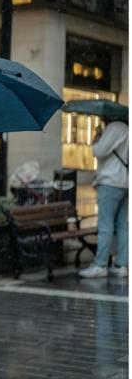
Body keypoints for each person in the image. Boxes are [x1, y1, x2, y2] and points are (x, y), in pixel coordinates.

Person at [79, 117, 128, 278]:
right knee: (122, 225)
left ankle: (100, 264)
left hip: (110, 182)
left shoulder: (115, 127)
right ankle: (121, 264)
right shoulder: (127, 128)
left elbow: (98, 151)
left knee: (105, 224)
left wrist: (97, 139)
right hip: (125, 183)